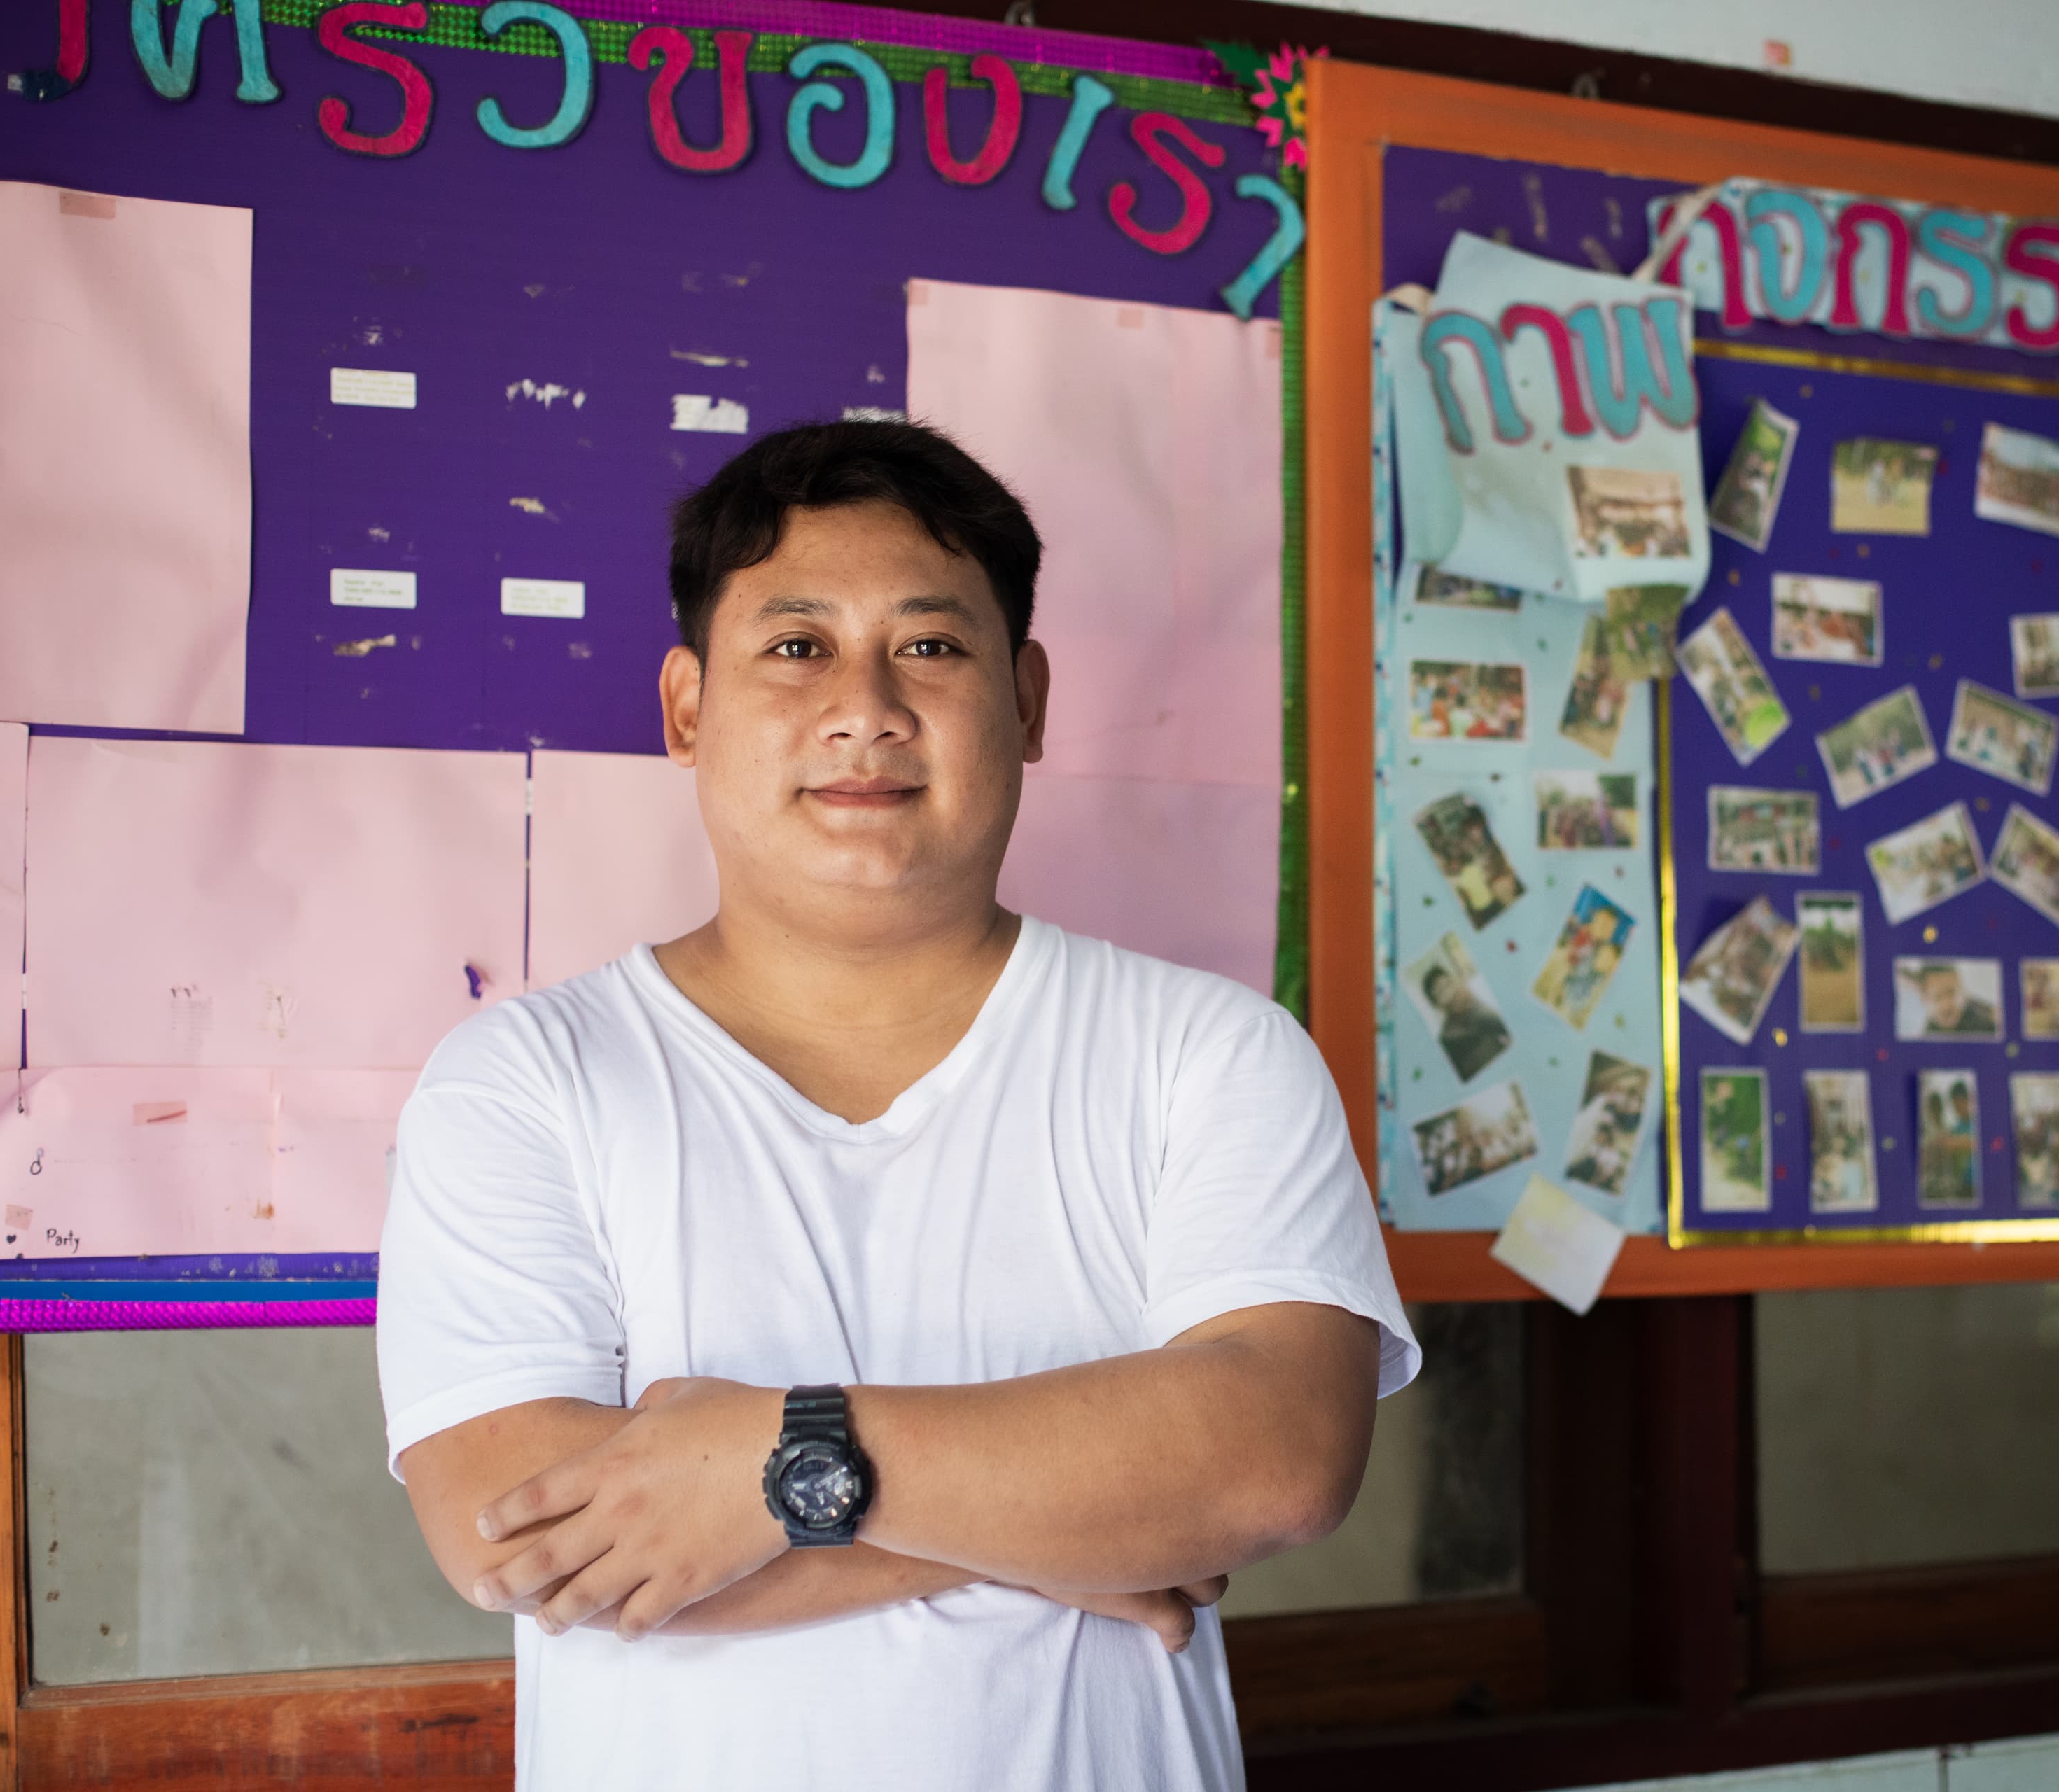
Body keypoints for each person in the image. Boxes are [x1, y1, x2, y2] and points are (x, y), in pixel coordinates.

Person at [376, 419, 1417, 1791]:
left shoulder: (1210, 1053)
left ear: (1028, 698)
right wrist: (1070, 1519)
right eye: (797, 646)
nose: (863, 705)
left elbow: (1276, 1454)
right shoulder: (523, 1079)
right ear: (687, 706)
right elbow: (524, 1537)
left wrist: (760, 1456)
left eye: (930, 645)